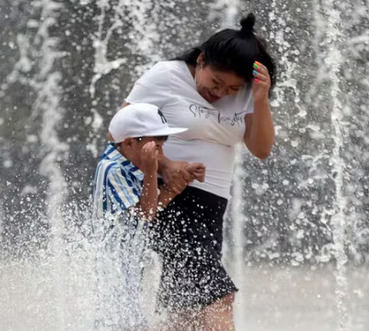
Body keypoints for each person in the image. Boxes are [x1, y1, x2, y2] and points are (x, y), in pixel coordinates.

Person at [122, 12, 276, 330]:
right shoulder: (166, 76)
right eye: (215, 82)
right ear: (202, 60)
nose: (220, 93)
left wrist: (260, 100)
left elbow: (261, 149)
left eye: (232, 89)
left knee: (185, 313)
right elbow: (121, 131)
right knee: (217, 297)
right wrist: (165, 164)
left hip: (210, 208)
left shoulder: (249, 93)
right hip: (169, 195)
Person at [91, 102, 202, 329]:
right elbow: (146, 213)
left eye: (161, 145)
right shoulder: (112, 168)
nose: (159, 153)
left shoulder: (129, 165)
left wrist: (174, 187)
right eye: (155, 146)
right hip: (111, 270)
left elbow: (145, 211)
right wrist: (152, 171)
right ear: (130, 142)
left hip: (128, 266)